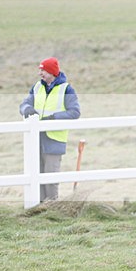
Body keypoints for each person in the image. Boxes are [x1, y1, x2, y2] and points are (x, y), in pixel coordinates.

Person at [19, 57, 80, 202]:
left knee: (50, 177)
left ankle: (52, 207)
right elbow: (24, 104)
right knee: (35, 174)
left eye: (43, 70)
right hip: (36, 139)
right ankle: (38, 207)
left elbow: (75, 112)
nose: (40, 73)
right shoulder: (37, 87)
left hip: (54, 140)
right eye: (40, 70)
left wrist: (52, 118)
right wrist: (27, 109)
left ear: (52, 72)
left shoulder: (66, 89)